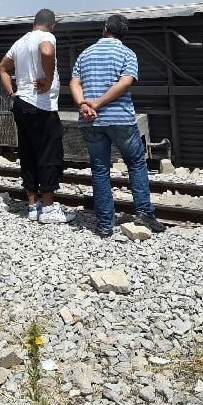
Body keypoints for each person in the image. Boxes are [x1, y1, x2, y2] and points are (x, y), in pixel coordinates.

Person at [70, 14, 165, 238]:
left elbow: (75, 82)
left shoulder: (86, 53)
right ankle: (144, 212)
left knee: (100, 170)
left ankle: (105, 224)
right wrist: (98, 103)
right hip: (120, 119)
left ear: (105, 29)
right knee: (136, 164)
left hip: (90, 121)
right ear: (124, 34)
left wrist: (84, 105)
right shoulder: (127, 53)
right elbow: (125, 82)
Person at [0, 8, 75, 223]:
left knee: (28, 154)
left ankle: (33, 207)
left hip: (21, 103)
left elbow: (2, 68)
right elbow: (48, 52)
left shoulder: (20, 41)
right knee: (49, 154)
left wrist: (12, 93)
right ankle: (48, 210)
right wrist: (48, 79)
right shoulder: (47, 36)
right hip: (41, 106)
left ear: (34, 22)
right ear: (53, 24)